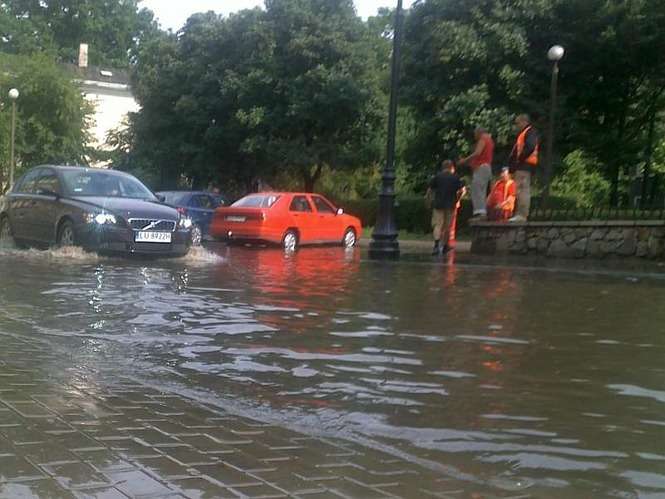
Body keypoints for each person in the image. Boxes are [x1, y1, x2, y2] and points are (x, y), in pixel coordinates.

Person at [426, 160, 465, 255]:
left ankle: (436, 245)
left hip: (438, 204)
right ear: (451, 167)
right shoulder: (455, 177)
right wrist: (458, 199)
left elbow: (429, 191)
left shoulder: (437, 177)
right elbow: (462, 191)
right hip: (450, 205)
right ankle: (445, 246)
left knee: (437, 225)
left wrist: (429, 201)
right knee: (447, 226)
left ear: (443, 167)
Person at [508, 114, 539, 222]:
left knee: (522, 190)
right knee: (519, 190)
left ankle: (522, 215)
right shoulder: (524, 133)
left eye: (518, 123)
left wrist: (520, 159)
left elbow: (530, 147)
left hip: (525, 165)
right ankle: (519, 214)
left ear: (524, 121)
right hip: (523, 165)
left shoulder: (530, 132)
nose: (517, 126)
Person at [460, 127, 495, 220]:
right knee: (482, 190)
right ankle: (482, 212)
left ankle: (480, 213)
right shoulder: (490, 140)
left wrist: (465, 160)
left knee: (477, 190)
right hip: (486, 167)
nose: (474, 136)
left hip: (481, 167)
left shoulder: (483, 139)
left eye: (475, 134)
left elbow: (477, 152)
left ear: (479, 133)